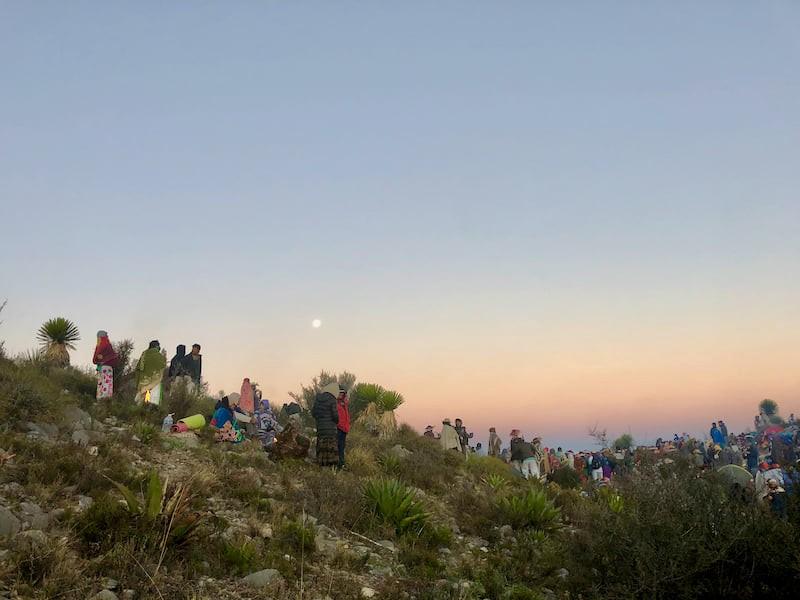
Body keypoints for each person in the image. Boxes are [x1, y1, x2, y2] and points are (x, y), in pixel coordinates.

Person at [311, 382, 340, 467]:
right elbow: (335, 415)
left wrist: (320, 419)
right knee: (331, 448)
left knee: (321, 447)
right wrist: (337, 421)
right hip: (330, 429)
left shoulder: (318, 399)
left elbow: (313, 413)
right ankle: (331, 467)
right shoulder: (332, 399)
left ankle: (321, 465)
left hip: (320, 428)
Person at [135, 340, 167, 405]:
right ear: (157, 346)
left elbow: (138, 369)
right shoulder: (161, 357)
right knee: (153, 403)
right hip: (155, 384)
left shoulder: (144, 355)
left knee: (142, 403)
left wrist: (137, 383)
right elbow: (163, 368)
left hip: (143, 382)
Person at [92, 330, 119, 400]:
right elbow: (113, 357)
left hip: (101, 368)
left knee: (101, 383)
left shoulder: (98, 346)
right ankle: (106, 400)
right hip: (108, 367)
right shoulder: (107, 344)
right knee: (107, 383)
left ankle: (99, 399)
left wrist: (99, 359)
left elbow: (95, 359)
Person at [336, 388, 350, 469]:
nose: (341, 394)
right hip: (338, 427)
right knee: (338, 446)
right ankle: (338, 464)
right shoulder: (335, 403)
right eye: (340, 392)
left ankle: (341, 464)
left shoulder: (344, 404)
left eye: (343, 393)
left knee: (342, 447)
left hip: (344, 428)